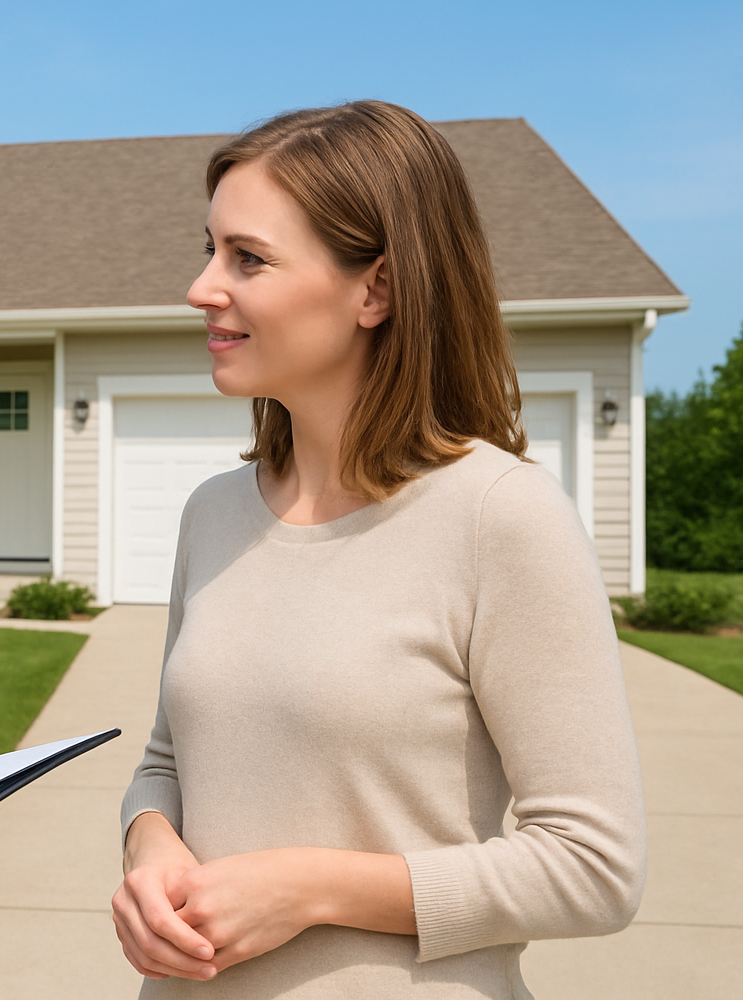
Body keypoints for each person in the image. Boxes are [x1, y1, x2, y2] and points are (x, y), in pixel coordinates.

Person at [112, 101, 645, 998]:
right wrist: (147, 841)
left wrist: (314, 888)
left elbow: (595, 866)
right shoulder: (212, 514)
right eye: (207, 250)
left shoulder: (499, 516)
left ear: (378, 290)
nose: (204, 287)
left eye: (248, 258)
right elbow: (168, 760)